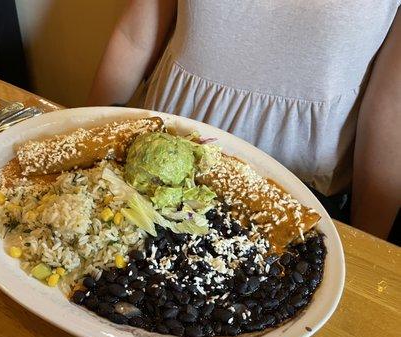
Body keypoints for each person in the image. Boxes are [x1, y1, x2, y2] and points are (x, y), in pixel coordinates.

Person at [88, 0, 401, 240]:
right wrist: (86, 147)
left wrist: (366, 245)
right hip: (150, 167)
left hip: (295, 201)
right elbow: (134, 37)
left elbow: (390, 108)